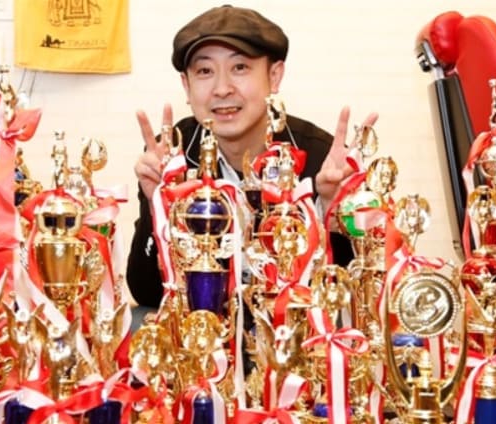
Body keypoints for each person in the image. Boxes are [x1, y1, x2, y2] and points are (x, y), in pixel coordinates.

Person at [126, 5, 378, 312]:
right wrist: (158, 208)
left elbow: (351, 298)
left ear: (274, 76)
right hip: (206, 334)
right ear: (186, 86)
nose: (222, 89)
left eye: (240, 67)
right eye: (205, 71)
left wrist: (331, 216)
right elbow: (147, 293)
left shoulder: (320, 159)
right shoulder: (173, 157)